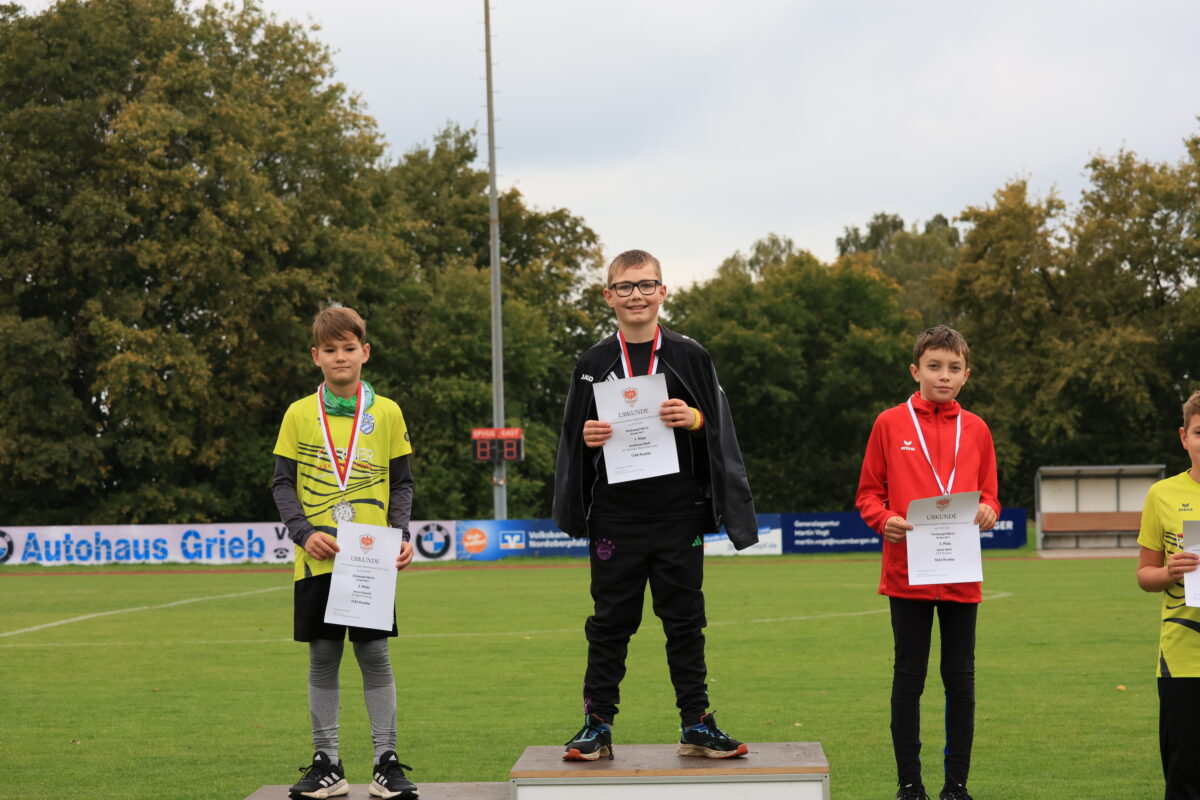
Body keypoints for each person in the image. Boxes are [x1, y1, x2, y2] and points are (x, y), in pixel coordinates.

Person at [552, 249, 757, 762]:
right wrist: (589, 438)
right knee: (610, 623)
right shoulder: (592, 363)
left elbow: (720, 428)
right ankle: (597, 725)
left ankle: (696, 723)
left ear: (663, 291)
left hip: (678, 512)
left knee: (685, 622)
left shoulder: (690, 355)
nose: (636, 295)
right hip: (614, 515)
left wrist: (695, 420)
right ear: (609, 296)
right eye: (625, 287)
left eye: (646, 285)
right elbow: (572, 439)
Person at [272, 306, 418, 800]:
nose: (340, 357)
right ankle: (327, 765)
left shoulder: (388, 412)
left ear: (365, 353)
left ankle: (386, 763)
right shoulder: (298, 413)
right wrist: (302, 533)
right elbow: (281, 483)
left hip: (370, 558)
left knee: (375, 654)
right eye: (330, 349)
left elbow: (402, 483)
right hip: (317, 556)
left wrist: (399, 534)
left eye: (349, 348)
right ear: (316, 356)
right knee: (323, 657)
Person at [855, 325, 1000, 800]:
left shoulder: (977, 429)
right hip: (907, 573)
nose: (944, 375)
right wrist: (885, 520)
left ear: (966, 375)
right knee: (909, 680)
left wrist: (989, 511)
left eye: (954, 368)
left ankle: (956, 786)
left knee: (960, 682)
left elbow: (991, 496)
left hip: (960, 573)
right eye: (934, 366)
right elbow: (868, 494)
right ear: (915, 370)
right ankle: (909, 785)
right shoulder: (889, 423)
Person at [1136, 390, 1200, 800]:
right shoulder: (1161, 495)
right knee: (1185, 775)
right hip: (1183, 658)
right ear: (1184, 437)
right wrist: (1168, 571)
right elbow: (1145, 575)